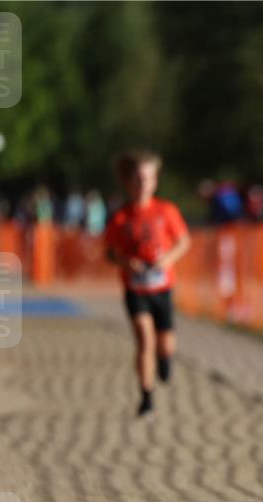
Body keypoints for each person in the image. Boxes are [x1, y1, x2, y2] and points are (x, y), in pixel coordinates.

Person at [105, 150, 191, 419]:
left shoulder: (166, 211)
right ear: (128, 182)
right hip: (135, 289)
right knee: (144, 339)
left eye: (147, 178)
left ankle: (165, 360)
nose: (142, 184)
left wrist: (167, 259)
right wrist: (125, 262)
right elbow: (109, 253)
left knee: (165, 345)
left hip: (162, 288)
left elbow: (184, 241)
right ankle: (146, 398)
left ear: (155, 182)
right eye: (137, 179)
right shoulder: (121, 218)